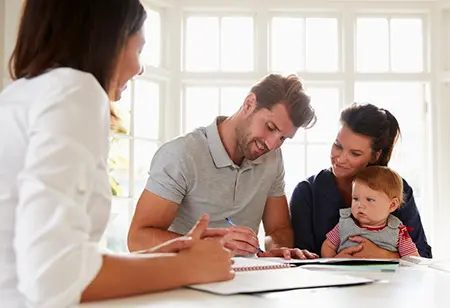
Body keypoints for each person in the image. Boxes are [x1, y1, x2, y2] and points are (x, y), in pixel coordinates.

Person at [0, 1, 234, 307]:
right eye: (138, 49)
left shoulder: (19, 94)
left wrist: (155, 258)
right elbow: (52, 278)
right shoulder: (75, 90)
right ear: (106, 39)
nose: (139, 68)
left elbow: (39, 256)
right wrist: (186, 268)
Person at [128, 73, 319, 260]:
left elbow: (278, 229)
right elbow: (138, 239)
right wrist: (210, 245)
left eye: (283, 138)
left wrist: (278, 250)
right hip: (186, 279)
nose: (272, 144)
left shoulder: (272, 158)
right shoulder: (181, 154)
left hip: (246, 280)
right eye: (270, 127)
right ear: (249, 104)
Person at [290, 103, 432, 258]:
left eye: (355, 153)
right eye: (338, 145)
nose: (340, 158)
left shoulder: (397, 189)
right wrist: (335, 263)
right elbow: (301, 260)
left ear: (375, 156)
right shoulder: (307, 192)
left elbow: (422, 257)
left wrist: (382, 255)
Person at [322, 166, 419, 258]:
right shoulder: (345, 223)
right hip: (346, 274)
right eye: (356, 199)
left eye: (370, 200)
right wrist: (334, 261)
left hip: (382, 275)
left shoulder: (398, 231)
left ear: (392, 205)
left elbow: (412, 259)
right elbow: (328, 246)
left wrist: (386, 257)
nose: (360, 205)